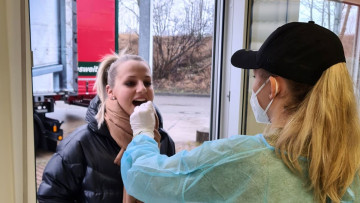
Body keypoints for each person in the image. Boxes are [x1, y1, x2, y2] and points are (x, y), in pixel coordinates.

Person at [121, 21, 360, 202]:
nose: (254, 86)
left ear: (274, 87)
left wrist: (142, 134)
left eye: (255, 77)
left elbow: (143, 177)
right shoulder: (349, 161)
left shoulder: (241, 162)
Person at [37, 51, 176, 203]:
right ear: (110, 91)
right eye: (130, 83)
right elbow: (49, 197)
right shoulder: (80, 144)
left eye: (147, 83)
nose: (142, 89)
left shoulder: (164, 141)